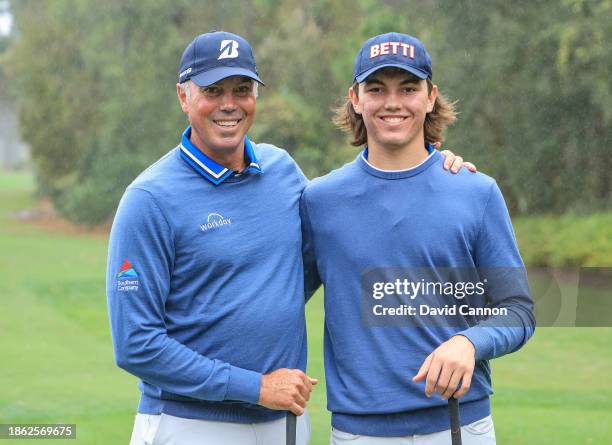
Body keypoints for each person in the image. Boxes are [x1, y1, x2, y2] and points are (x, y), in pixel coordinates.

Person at [106, 31, 471, 445]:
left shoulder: (281, 171)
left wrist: (431, 167)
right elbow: (137, 345)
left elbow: (344, 229)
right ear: (183, 97)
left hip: (284, 424)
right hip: (190, 423)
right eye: (213, 90)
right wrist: (255, 388)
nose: (229, 103)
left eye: (242, 89)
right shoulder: (149, 199)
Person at [300, 32, 536, 445]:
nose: (393, 102)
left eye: (408, 88)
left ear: (430, 97)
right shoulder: (320, 200)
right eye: (377, 89)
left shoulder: (475, 192)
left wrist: (470, 341)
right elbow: (274, 298)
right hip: (358, 432)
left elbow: (517, 310)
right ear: (355, 98)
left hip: (460, 425)